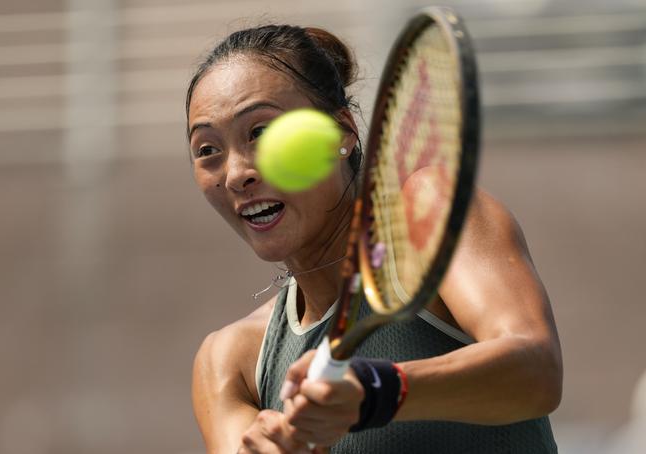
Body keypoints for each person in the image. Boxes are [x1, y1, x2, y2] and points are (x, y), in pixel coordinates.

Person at [188, 24, 562, 453]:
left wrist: (377, 391)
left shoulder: (427, 212)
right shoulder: (230, 363)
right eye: (207, 150)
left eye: (260, 131)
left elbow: (537, 371)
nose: (237, 174)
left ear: (342, 133)